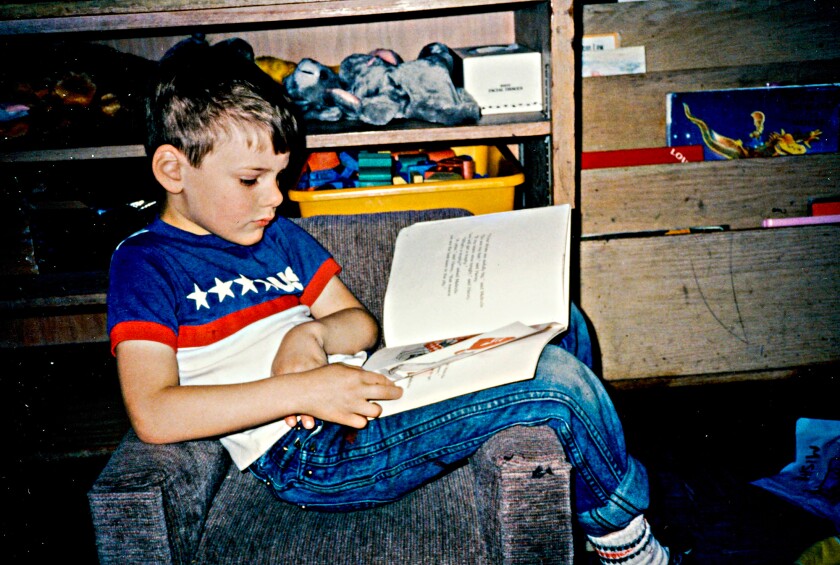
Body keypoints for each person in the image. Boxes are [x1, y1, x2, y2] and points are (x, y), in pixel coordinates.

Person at [107, 38, 681, 565]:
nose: (275, 197)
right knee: (554, 380)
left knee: (559, 324)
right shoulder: (145, 263)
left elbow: (357, 323)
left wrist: (309, 336)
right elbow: (155, 414)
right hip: (308, 450)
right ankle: (621, 539)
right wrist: (301, 390)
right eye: (252, 179)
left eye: (279, 177)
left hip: (375, 387)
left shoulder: (276, 235)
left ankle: (583, 478)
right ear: (172, 169)